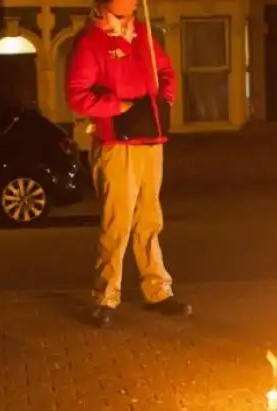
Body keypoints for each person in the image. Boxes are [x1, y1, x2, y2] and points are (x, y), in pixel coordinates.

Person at [67, 0, 191, 328]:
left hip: (151, 140)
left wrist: (165, 100)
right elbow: (77, 94)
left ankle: (158, 290)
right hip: (117, 144)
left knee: (149, 218)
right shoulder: (91, 41)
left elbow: (166, 72)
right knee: (117, 222)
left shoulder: (143, 34)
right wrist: (118, 107)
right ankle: (106, 296)